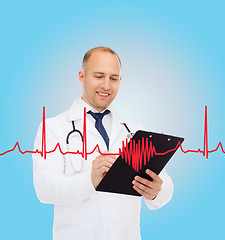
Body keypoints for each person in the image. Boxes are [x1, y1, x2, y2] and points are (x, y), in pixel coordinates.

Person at [33, 46, 174, 240]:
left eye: (113, 78)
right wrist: (89, 180)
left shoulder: (134, 131)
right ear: (82, 76)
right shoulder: (53, 128)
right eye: (99, 76)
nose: (106, 85)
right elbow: (44, 188)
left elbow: (165, 182)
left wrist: (157, 192)